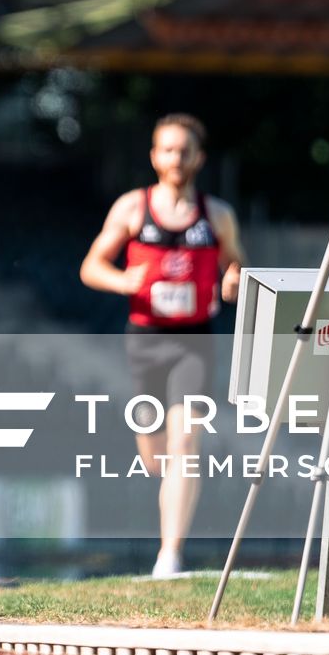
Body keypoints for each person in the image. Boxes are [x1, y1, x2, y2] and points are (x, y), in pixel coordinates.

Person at [79, 114, 245, 577]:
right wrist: (122, 279)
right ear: (154, 157)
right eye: (167, 150)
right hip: (145, 340)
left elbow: (238, 269)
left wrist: (231, 281)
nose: (176, 158)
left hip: (193, 341)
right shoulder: (133, 208)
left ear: (199, 158)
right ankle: (166, 498)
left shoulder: (218, 215)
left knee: (187, 443)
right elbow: (91, 266)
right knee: (154, 455)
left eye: (184, 150)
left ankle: (169, 554)